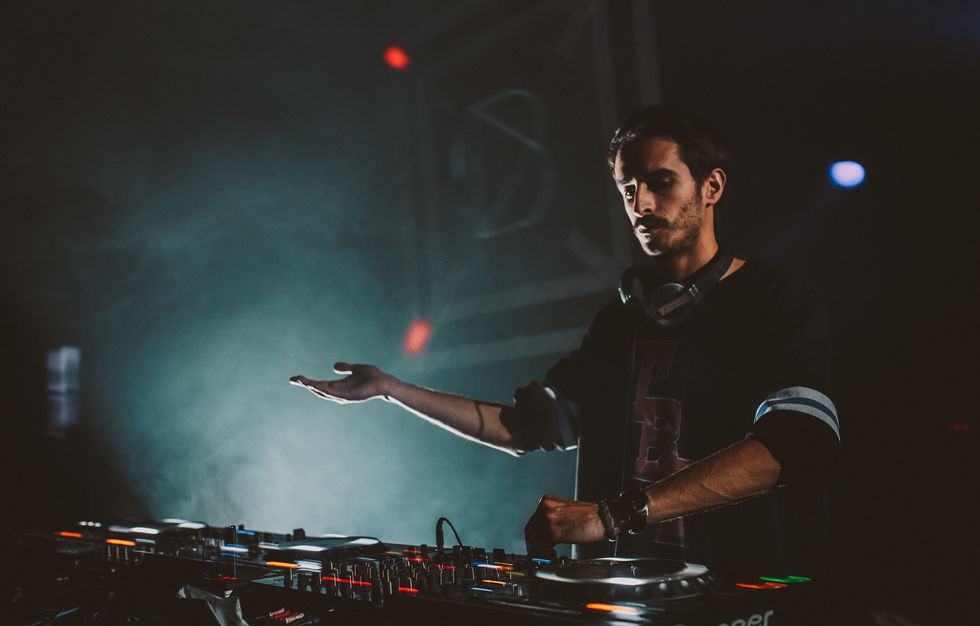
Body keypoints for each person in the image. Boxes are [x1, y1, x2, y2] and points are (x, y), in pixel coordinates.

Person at [291, 105, 839, 577]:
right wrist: (391, 389)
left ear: (711, 186)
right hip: (620, 597)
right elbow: (524, 428)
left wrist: (613, 516)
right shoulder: (620, 322)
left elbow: (793, 446)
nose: (642, 205)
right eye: (628, 189)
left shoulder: (777, 299)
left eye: (661, 182)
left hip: (735, 600)